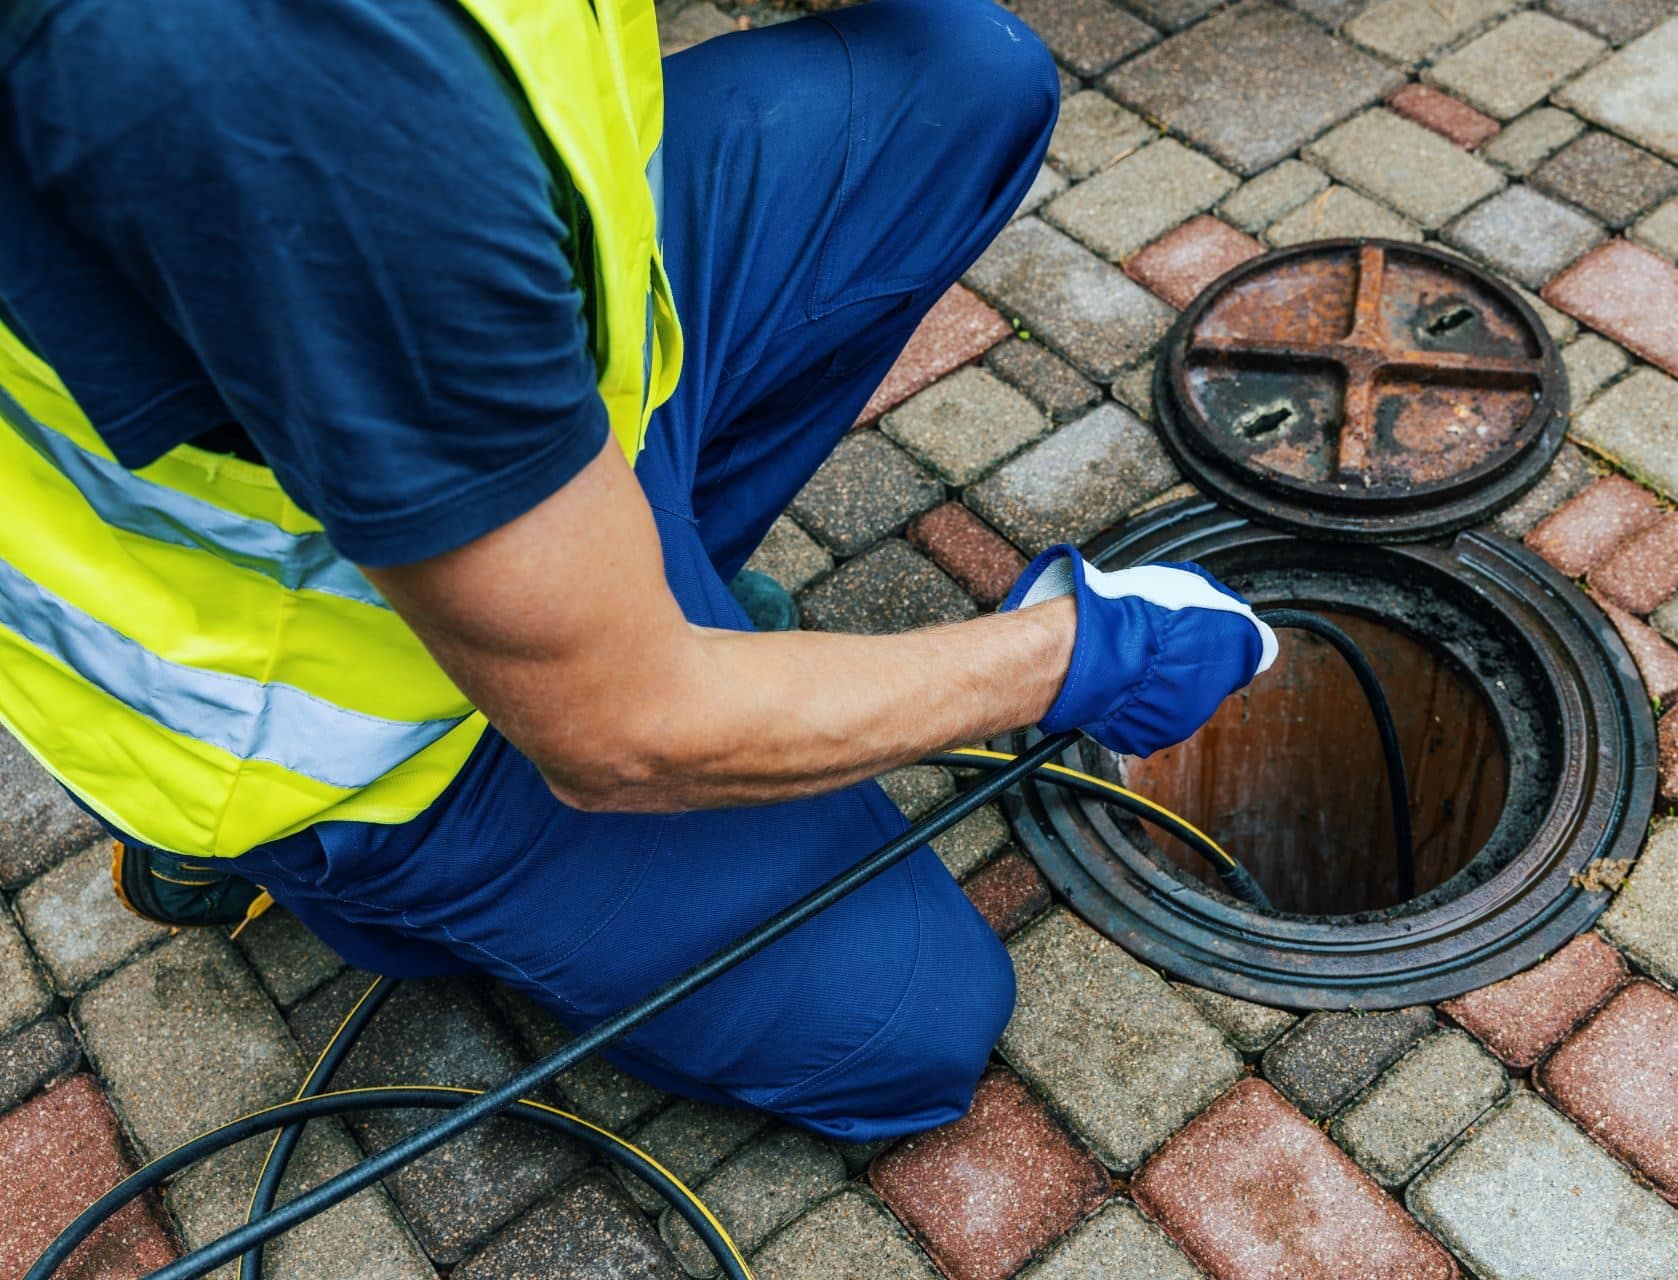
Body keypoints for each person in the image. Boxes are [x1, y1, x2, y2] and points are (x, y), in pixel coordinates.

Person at [0, 0, 1273, 1141]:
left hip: (527, 382)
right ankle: (343, 889)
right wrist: (1082, 651)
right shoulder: (282, 82)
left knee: (962, 78)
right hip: (364, 714)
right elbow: (626, 731)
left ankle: (625, 597)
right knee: (911, 1028)